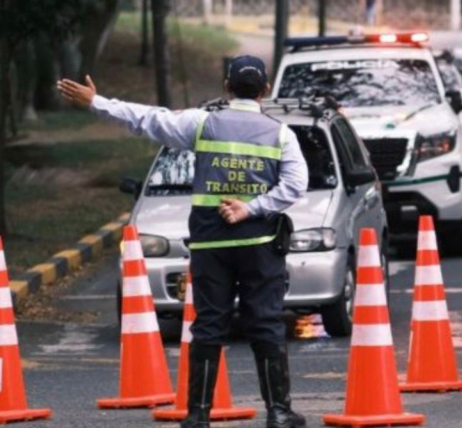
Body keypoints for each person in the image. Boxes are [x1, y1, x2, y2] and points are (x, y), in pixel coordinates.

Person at [57, 55, 308, 428]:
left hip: (211, 247)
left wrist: (97, 101)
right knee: (266, 323)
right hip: (260, 243)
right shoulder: (281, 134)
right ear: (266, 90)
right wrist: (252, 207)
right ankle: (279, 412)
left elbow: (147, 119)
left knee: (208, 325)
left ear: (226, 87)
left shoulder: (202, 123)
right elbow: (295, 186)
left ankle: (198, 416)